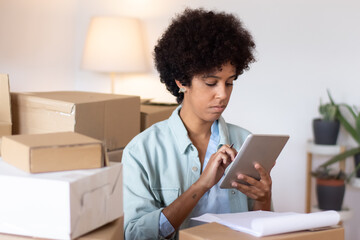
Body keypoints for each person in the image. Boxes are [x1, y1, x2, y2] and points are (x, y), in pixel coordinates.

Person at [123, 8, 272, 240]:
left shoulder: (245, 142)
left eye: (229, 83)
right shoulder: (142, 150)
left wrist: (263, 199)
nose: (222, 94)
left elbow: (262, 230)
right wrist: (201, 185)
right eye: (211, 82)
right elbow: (136, 236)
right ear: (181, 81)